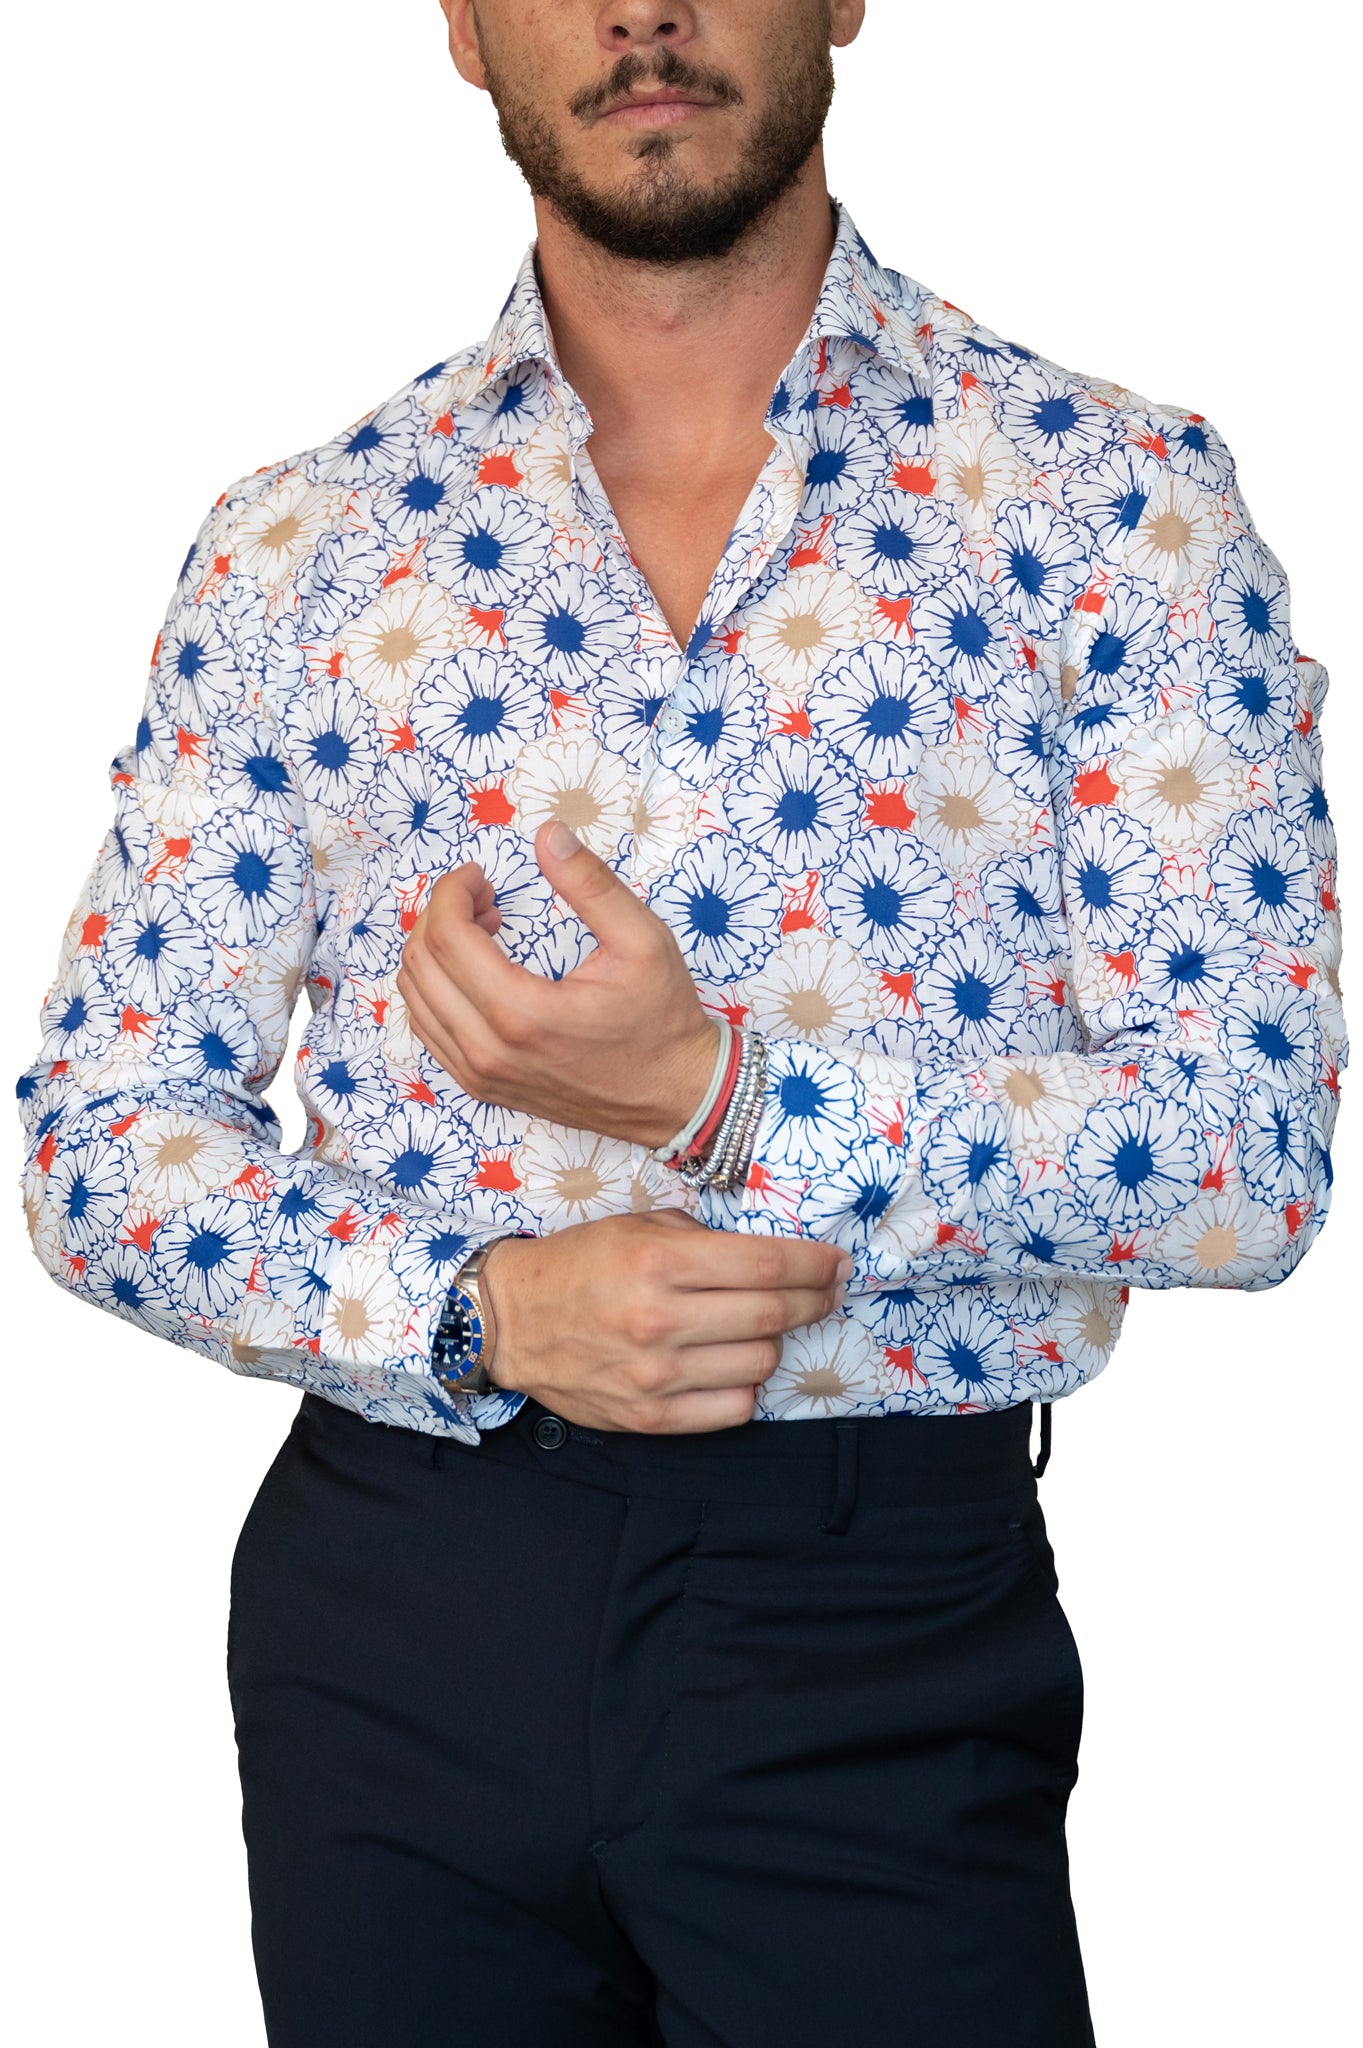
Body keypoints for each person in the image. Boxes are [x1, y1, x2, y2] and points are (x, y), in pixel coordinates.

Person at [17, 1, 1345, 2041]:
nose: (643, 7)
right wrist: (471, 1307)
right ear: (465, 26)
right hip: (396, 1613)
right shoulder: (299, 549)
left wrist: (726, 1096)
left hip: (878, 1619)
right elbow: (99, 1136)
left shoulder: (1115, 506)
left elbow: (1247, 1153)